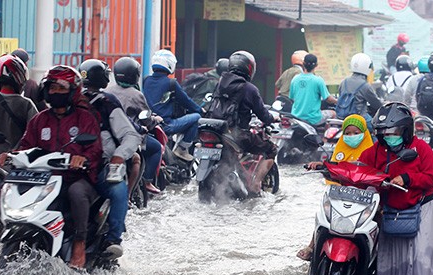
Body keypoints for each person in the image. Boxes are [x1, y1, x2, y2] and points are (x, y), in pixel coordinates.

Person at [0, 65, 102, 269]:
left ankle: (79, 244)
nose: (56, 92)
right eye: (52, 88)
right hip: (44, 179)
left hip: (75, 178)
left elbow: (95, 149)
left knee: (76, 193)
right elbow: (26, 146)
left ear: (72, 92)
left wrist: (81, 159)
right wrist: (11, 155)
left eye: (61, 89)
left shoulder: (84, 119)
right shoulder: (39, 119)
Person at [357, 102, 433, 275]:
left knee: (422, 255)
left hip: (423, 207)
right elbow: (357, 172)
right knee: (391, 256)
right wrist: (326, 167)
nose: (389, 137)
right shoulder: (373, 152)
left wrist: (407, 179)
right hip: (390, 210)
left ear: (406, 130)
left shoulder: (421, 148)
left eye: (394, 132)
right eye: (385, 133)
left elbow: (431, 178)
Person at [80, 59, 143, 259]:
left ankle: (113, 238)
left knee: (118, 189)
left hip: (98, 165)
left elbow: (130, 134)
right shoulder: (64, 106)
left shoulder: (107, 103)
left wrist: (117, 156)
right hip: (66, 168)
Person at [298, 114, 374, 261]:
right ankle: (312, 246)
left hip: (365, 197)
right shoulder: (339, 151)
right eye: (347, 133)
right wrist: (321, 166)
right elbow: (333, 168)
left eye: (356, 133)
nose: (351, 136)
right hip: (341, 194)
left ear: (364, 133)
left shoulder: (372, 152)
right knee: (323, 216)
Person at [212, 50, 278, 194]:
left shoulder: (220, 84)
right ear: (250, 68)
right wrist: (273, 118)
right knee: (271, 149)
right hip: (237, 134)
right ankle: (256, 183)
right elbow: (264, 116)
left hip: (216, 131)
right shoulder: (250, 89)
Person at [107, 56, 163, 194]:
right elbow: (147, 118)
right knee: (157, 148)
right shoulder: (136, 95)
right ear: (135, 75)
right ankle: (147, 181)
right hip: (129, 136)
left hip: (109, 135)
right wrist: (155, 121)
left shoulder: (108, 91)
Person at [142, 49, 202, 162]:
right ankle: (182, 149)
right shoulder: (171, 83)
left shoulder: (146, 81)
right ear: (170, 64)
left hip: (151, 123)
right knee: (196, 117)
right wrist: (200, 110)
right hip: (167, 125)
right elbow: (187, 101)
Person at [289, 53, 336, 126]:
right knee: (333, 114)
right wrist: (337, 101)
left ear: (303, 64)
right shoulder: (318, 80)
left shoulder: (295, 79)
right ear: (316, 65)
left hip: (296, 117)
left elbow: (292, 98)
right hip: (313, 119)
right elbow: (328, 99)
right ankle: (326, 137)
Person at [336, 53, 382, 127]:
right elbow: (376, 104)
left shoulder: (344, 82)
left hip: (341, 117)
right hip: (359, 118)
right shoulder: (365, 86)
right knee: (376, 128)